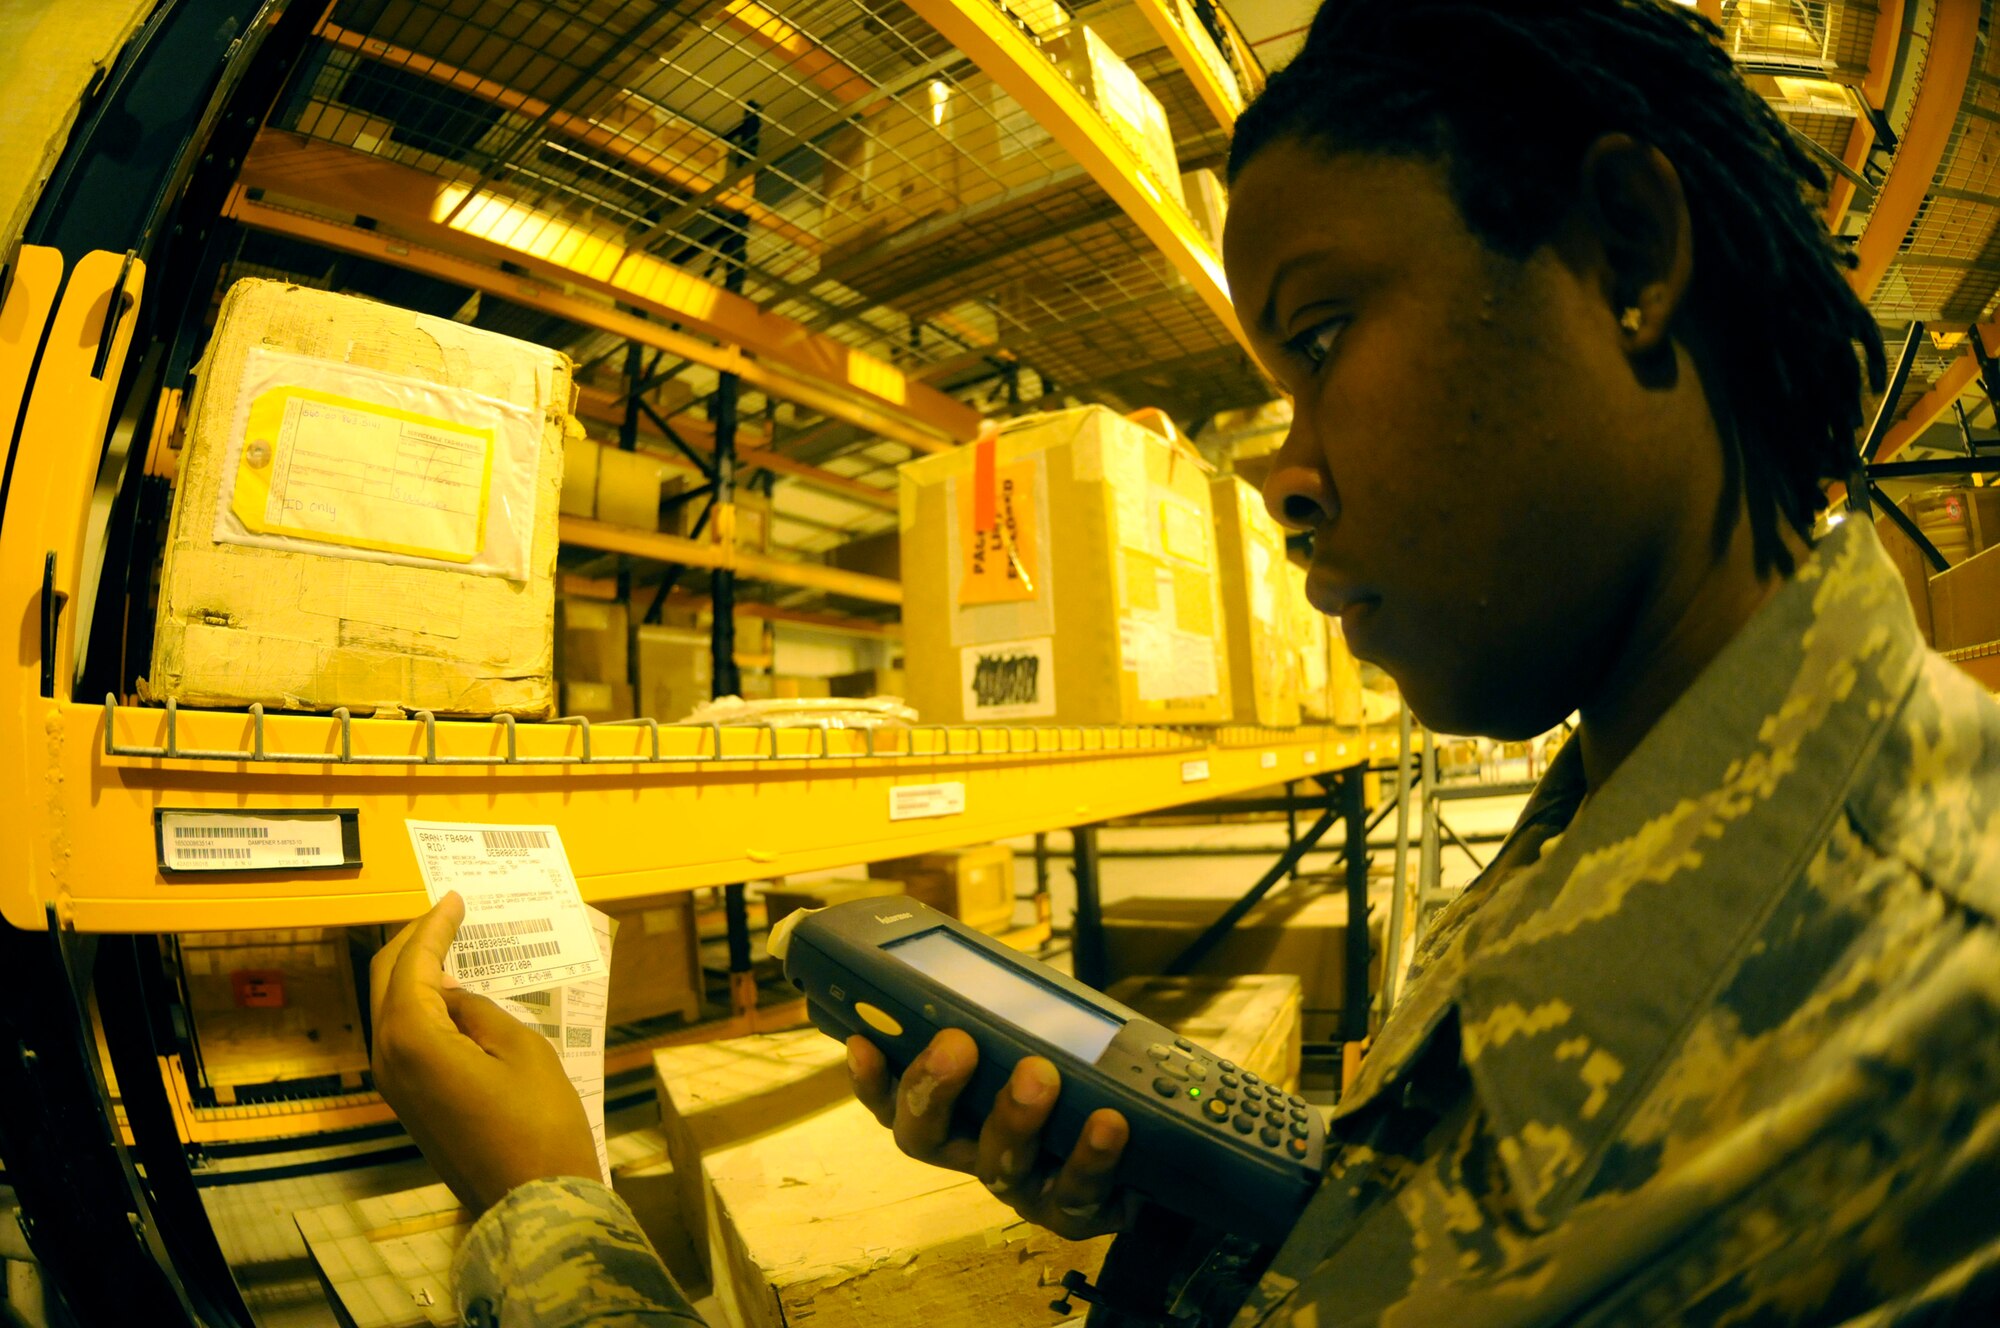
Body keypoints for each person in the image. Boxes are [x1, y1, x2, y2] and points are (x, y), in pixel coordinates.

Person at [368, 1, 2000, 1323]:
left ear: (1630, 256)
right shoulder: (1636, 790)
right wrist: (1203, 1210)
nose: (1281, 475)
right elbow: (1423, 1230)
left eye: (1324, 331)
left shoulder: (1938, 1046)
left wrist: (541, 1207)